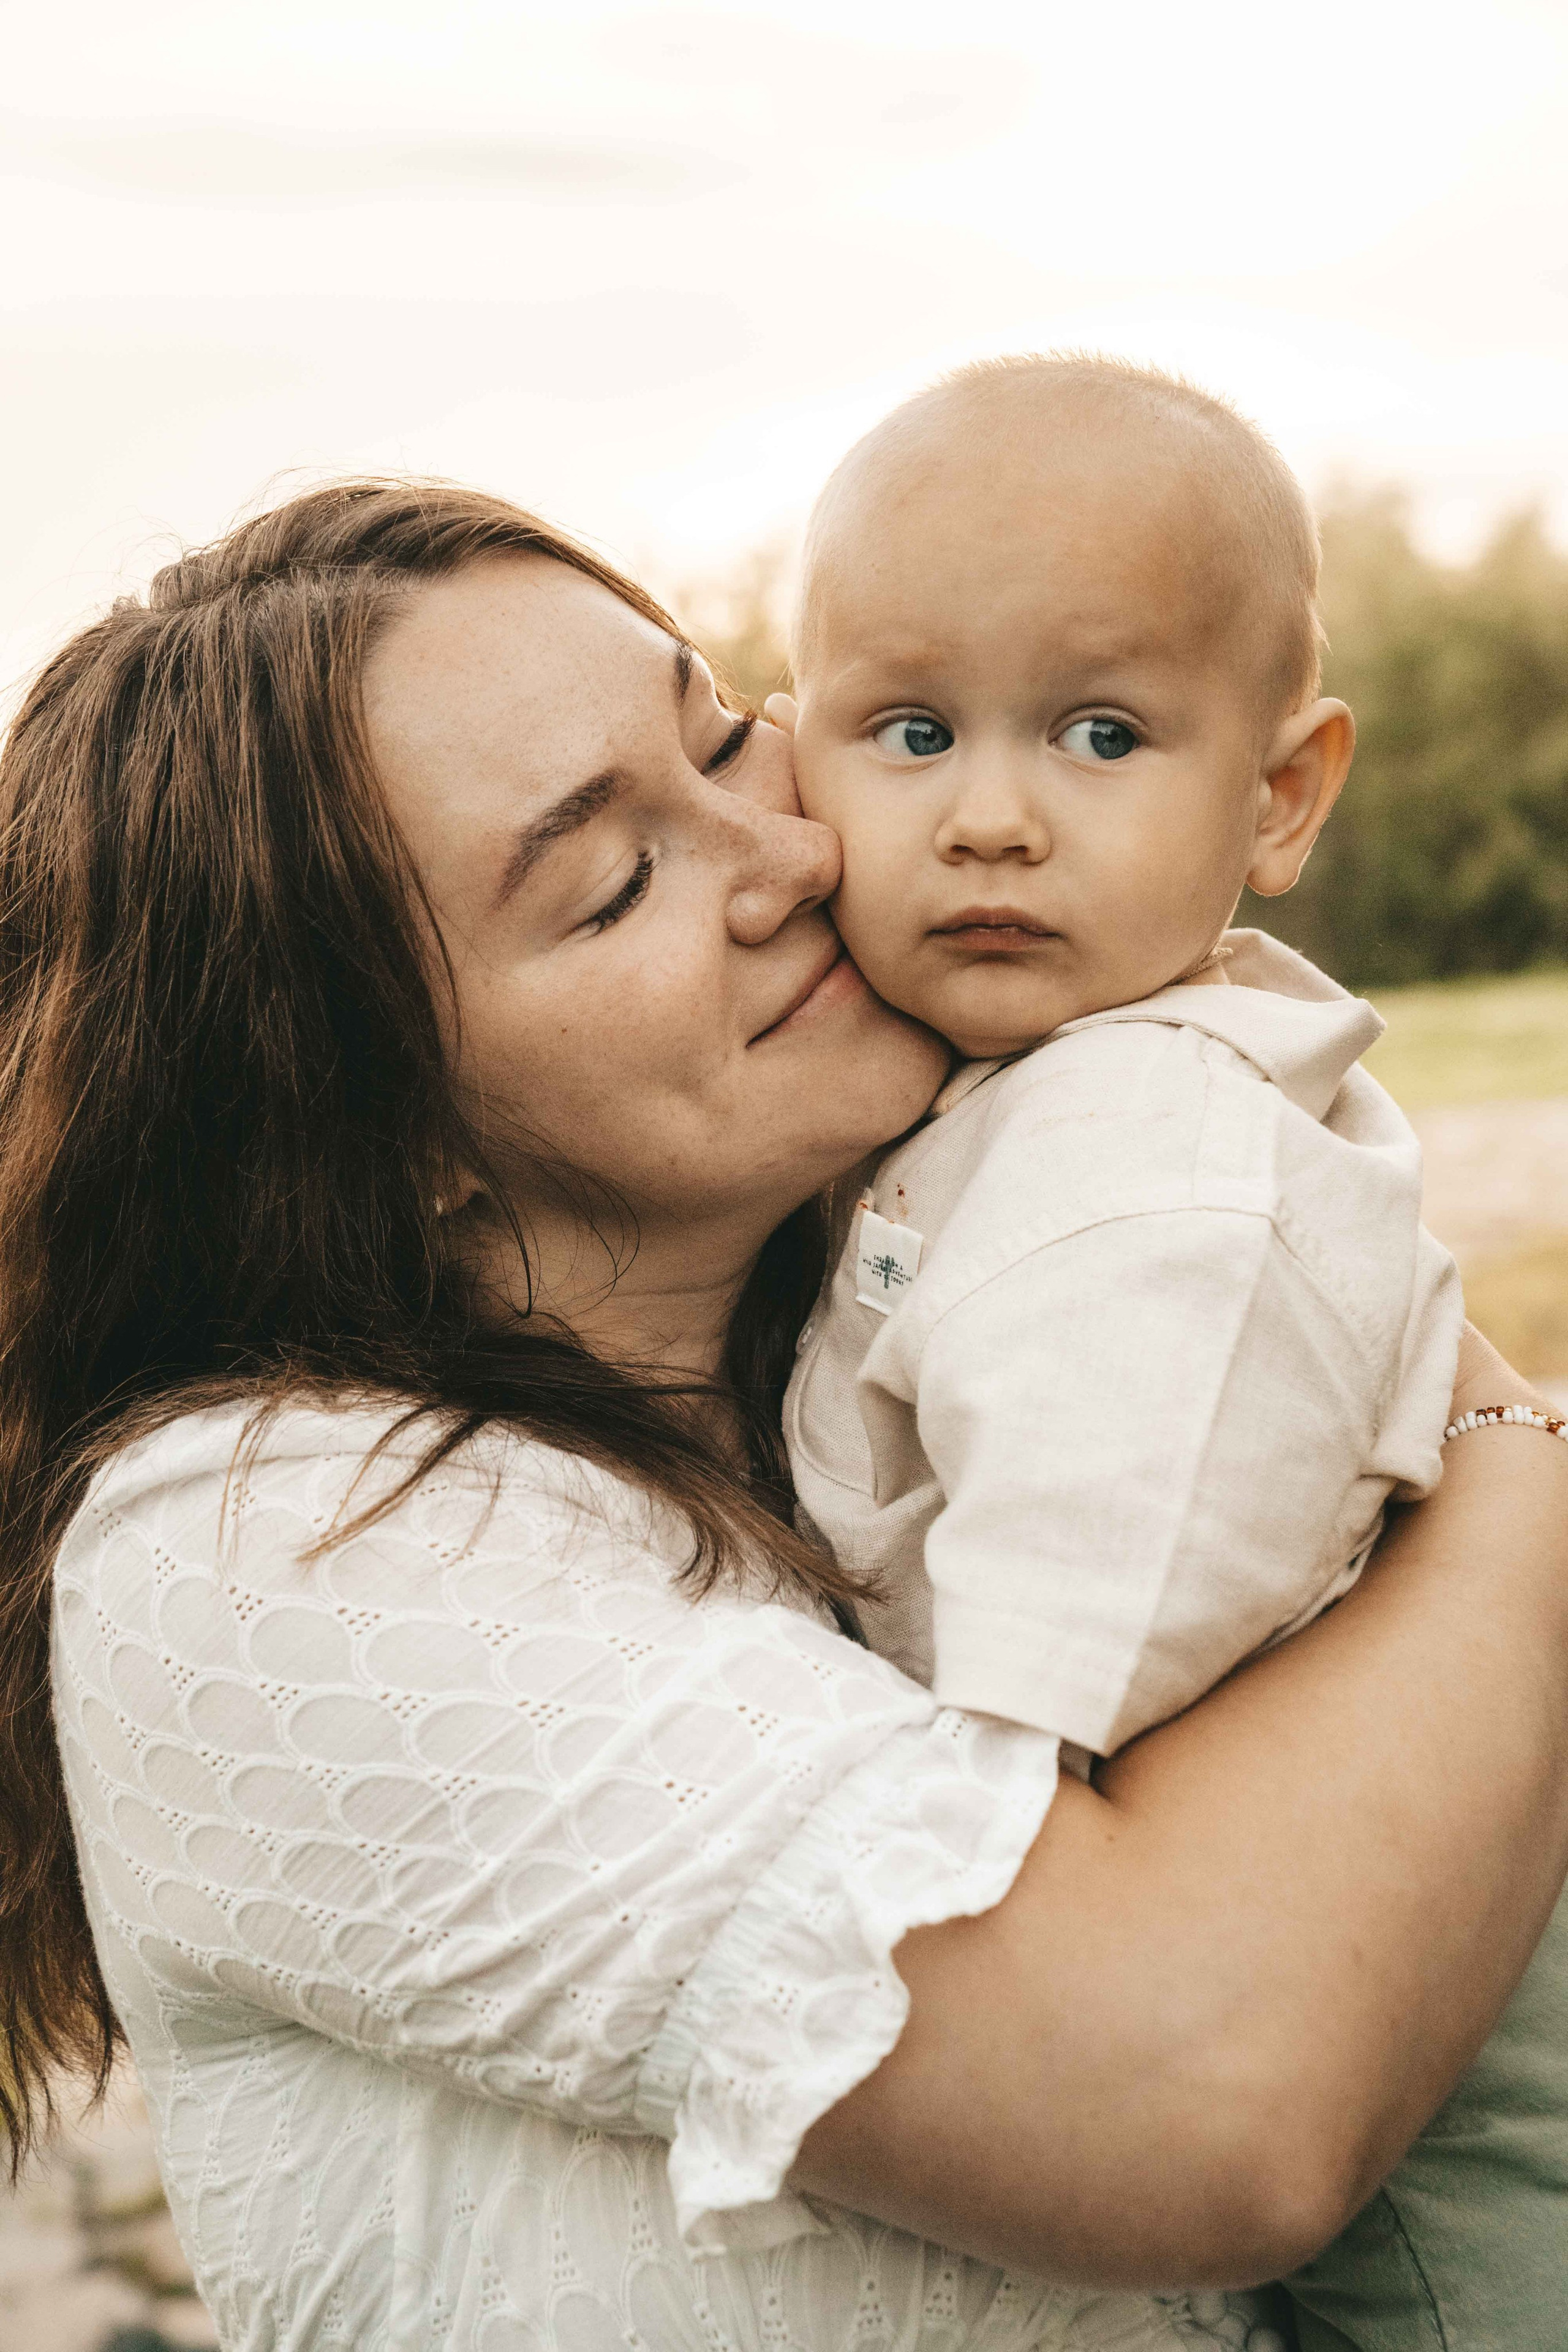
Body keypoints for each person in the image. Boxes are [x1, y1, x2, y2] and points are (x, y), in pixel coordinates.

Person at [0, 481, 1563, 2352]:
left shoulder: (920, 1323)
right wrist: (1507, 1454)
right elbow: (1205, 2104)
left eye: (732, 736)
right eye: (612, 881)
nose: (790, 854)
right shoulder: (255, 1541)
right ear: (377, 1135)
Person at [773, 353, 1568, 2348]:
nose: (990, 818)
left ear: (1281, 794)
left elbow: (1077, 1692)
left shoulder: (1149, 1162)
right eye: (912, 730)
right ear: (798, 767)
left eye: (1102, 733)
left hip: (1444, 2055)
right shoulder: (1035, 1105)